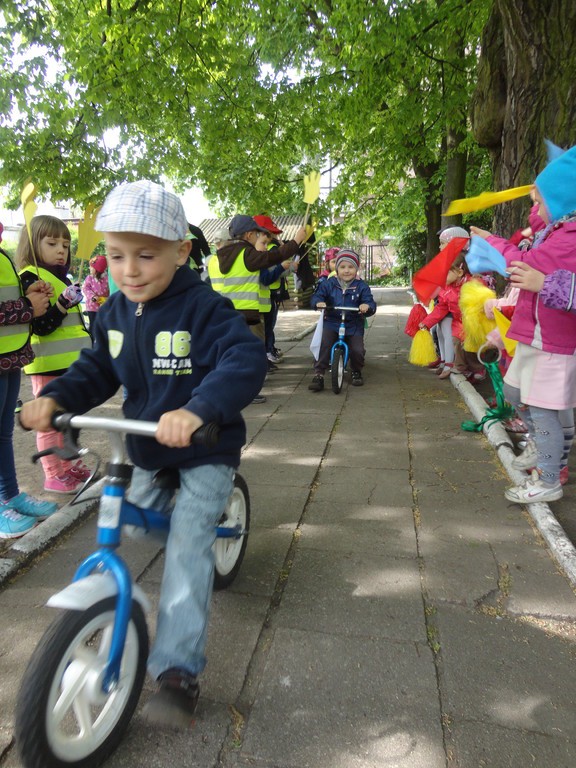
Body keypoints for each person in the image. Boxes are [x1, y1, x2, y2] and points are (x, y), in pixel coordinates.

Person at [20, 179, 268, 728]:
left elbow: (242, 358)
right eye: (115, 256)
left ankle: (178, 672)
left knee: (187, 546)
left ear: (181, 252)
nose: (129, 270)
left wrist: (199, 410)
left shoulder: (204, 309)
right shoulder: (114, 311)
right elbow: (96, 369)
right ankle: (189, 540)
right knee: (132, 521)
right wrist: (58, 399)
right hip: (148, 446)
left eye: (145, 256)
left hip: (204, 447)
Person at [470, 145, 576, 504]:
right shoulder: (557, 230)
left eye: (541, 202)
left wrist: (490, 242)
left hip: (552, 343)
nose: (536, 210)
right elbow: (535, 232)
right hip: (536, 337)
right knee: (515, 392)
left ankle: (548, 480)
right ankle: (542, 450)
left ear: (562, 203)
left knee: (544, 413)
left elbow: (520, 262)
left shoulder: (568, 240)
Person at [16, 215, 92, 494]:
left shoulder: (61, 277)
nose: (61, 250)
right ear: (33, 245)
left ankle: (68, 466)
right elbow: (41, 326)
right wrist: (61, 304)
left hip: (70, 364)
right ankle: (53, 474)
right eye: (52, 243)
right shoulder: (30, 278)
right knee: (49, 423)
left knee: (67, 419)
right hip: (47, 364)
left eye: (65, 245)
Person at [209, 214, 307, 404]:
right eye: (256, 234)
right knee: (253, 356)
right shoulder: (246, 254)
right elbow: (274, 256)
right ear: (248, 235)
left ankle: (229, 389)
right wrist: (296, 241)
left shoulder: (226, 254)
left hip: (229, 313)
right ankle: (247, 392)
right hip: (248, 315)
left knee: (234, 354)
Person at [0, 225, 58, 539]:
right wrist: (25, 307)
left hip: (8, 358)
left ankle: (9, 496)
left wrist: (28, 295)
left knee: (3, 433)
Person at [308, 249, 376, 390]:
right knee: (324, 345)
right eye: (342, 267)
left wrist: (366, 306)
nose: (346, 271)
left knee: (357, 350)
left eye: (351, 267)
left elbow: (370, 302)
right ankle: (319, 373)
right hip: (332, 321)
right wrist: (318, 302)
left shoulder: (361, 286)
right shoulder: (329, 284)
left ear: (356, 269)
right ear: (337, 268)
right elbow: (317, 295)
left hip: (353, 323)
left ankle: (356, 371)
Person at [418, 256, 470, 379]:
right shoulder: (447, 288)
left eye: (446, 273)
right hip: (459, 321)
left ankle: (475, 369)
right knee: (454, 339)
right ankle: (453, 365)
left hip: (471, 322)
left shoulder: (470, 285)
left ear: (459, 272)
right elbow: (441, 307)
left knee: (463, 341)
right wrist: (427, 322)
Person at [82, 254, 109, 338]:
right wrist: (92, 296)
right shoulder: (89, 278)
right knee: (93, 325)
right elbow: (86, 288)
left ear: (97, 269)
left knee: (102, 326)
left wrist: (107, 299)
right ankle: (93, 340)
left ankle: (101, 339)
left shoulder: (107, 279)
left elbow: (110, 290)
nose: (89, 268)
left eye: (91, 267)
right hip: (92, 307)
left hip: (103, 307)